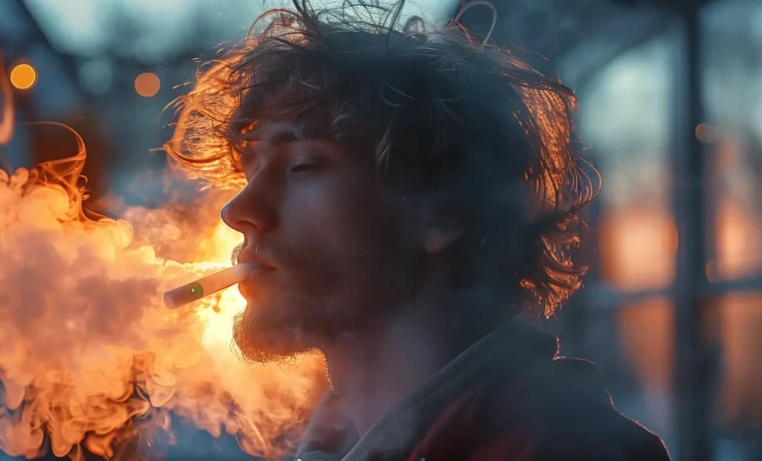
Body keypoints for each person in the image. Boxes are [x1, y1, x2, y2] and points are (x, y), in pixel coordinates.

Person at [166, 1, 671, 460]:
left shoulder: (554, 449)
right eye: (249, 170)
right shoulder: (339, 444)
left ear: (442, 211)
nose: (238, 210)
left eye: (303, 165)